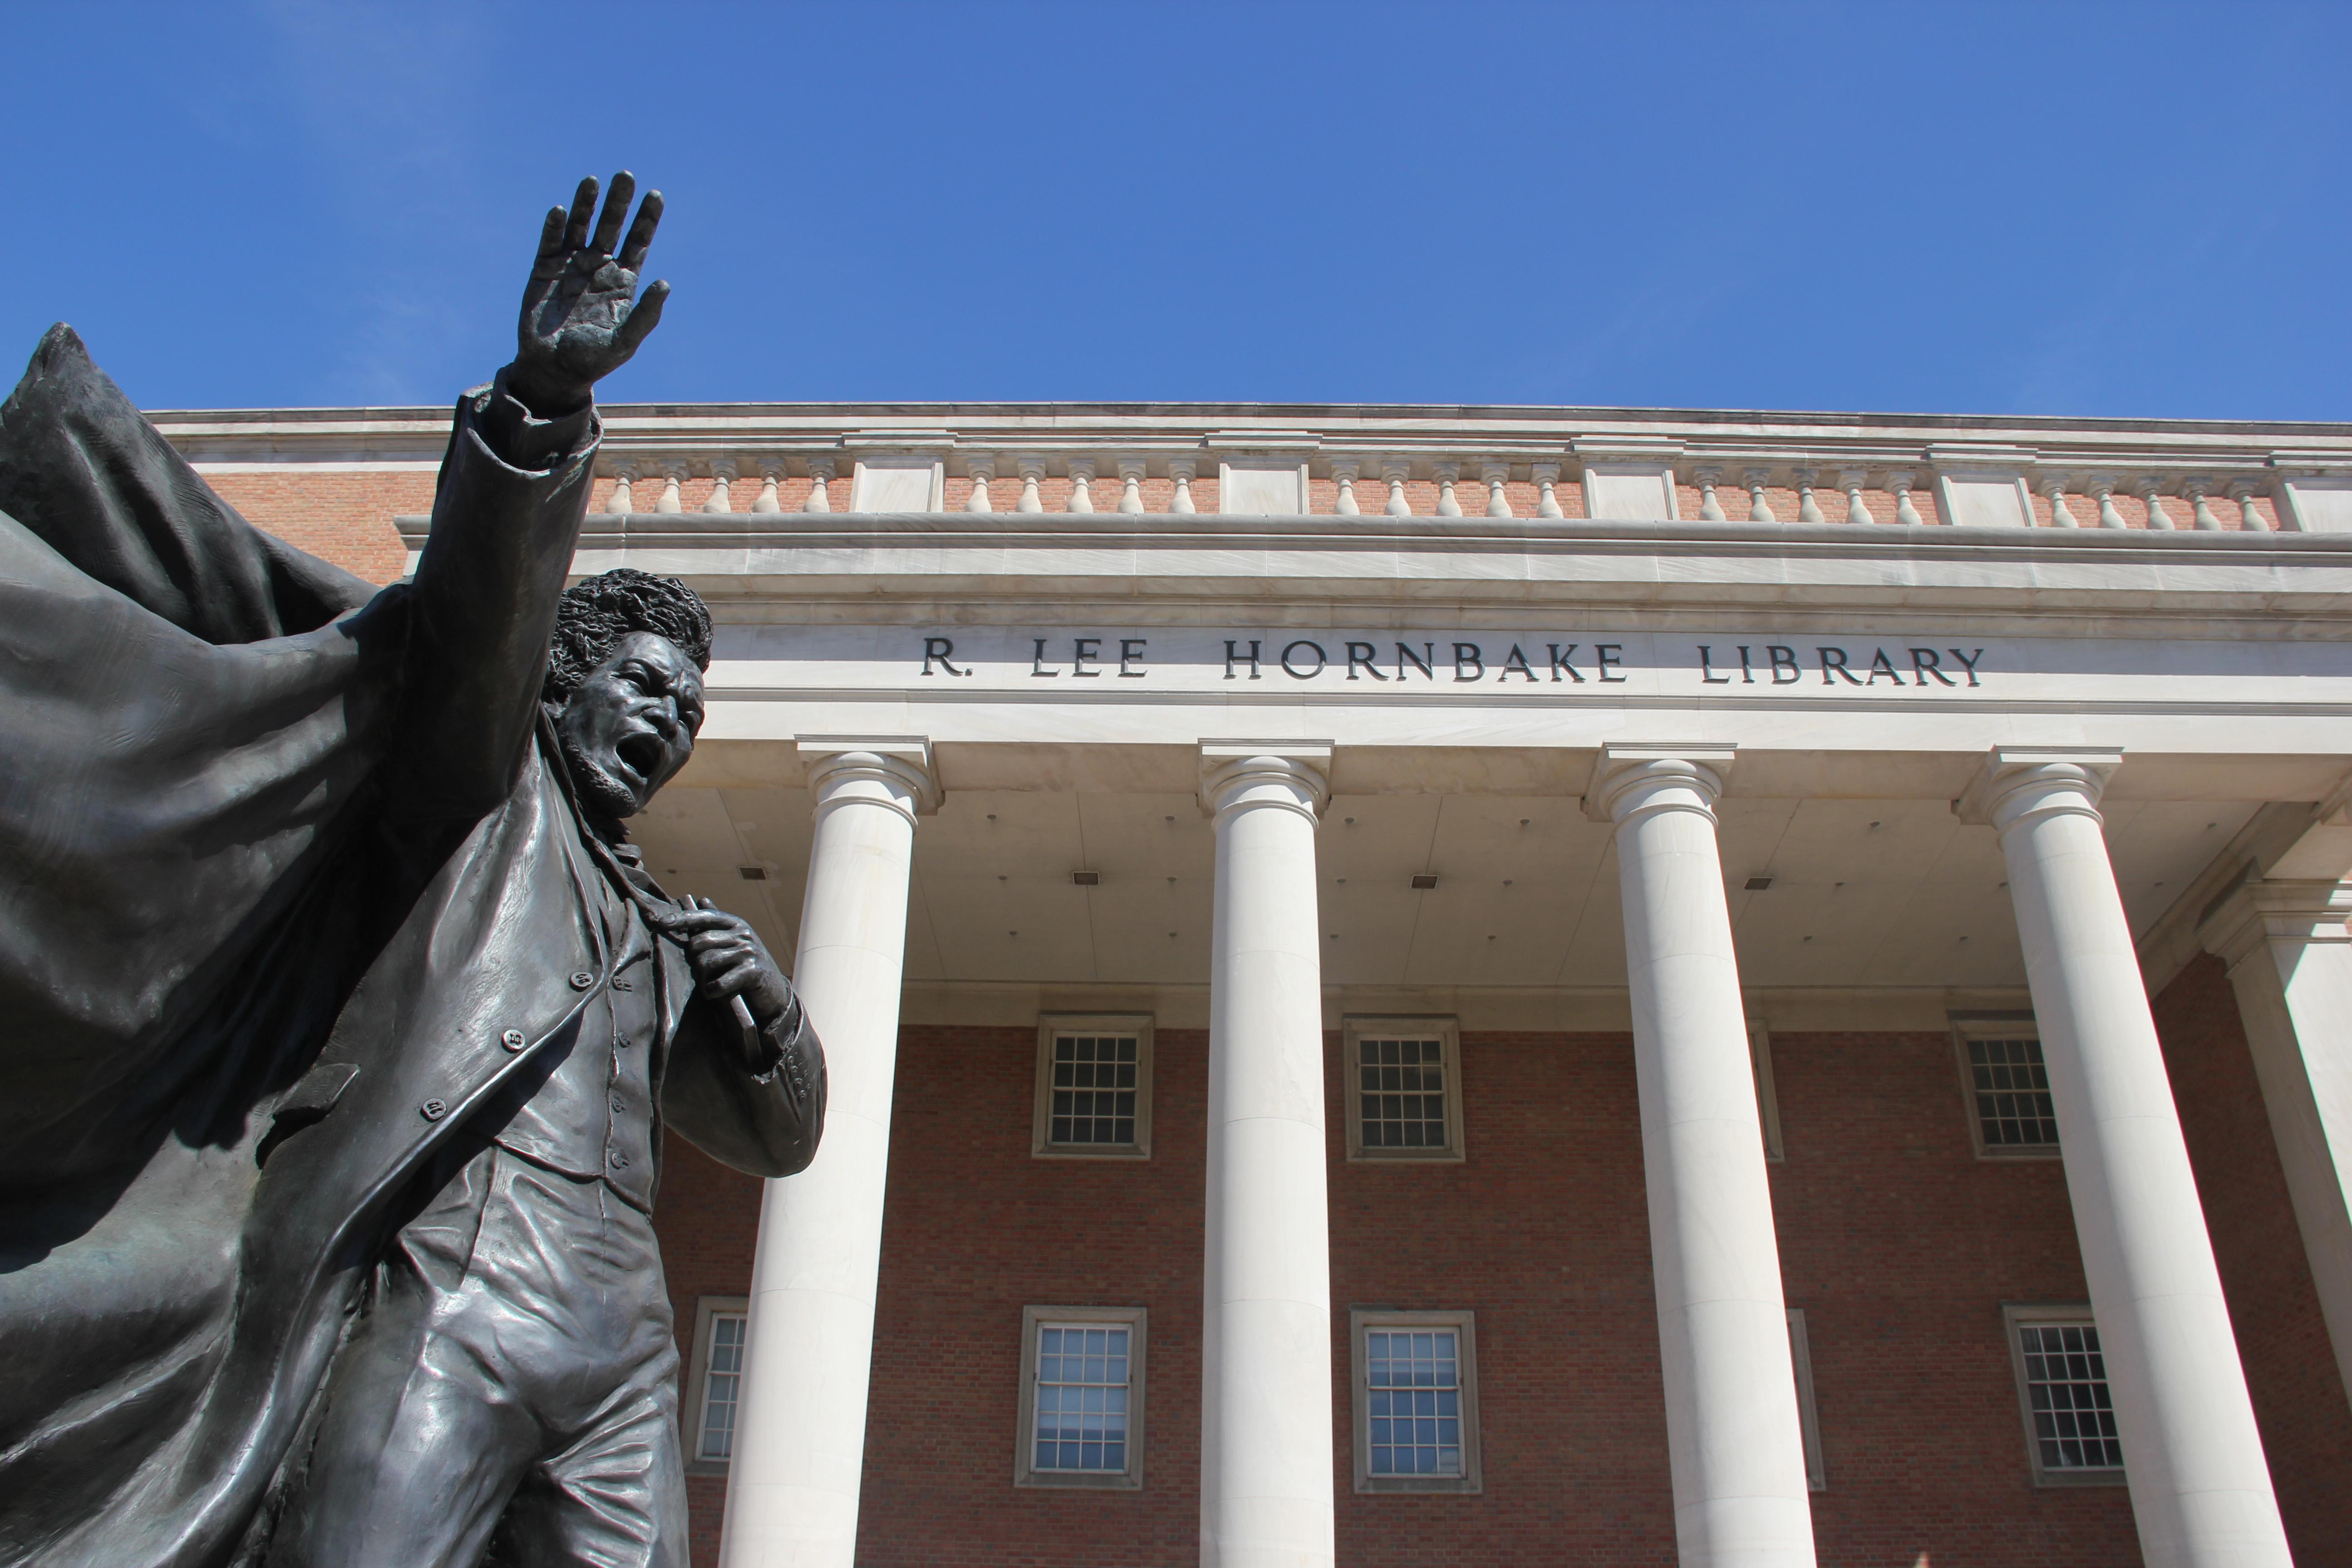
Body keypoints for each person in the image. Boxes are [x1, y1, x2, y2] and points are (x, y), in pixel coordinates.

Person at [0, 175, 820, 1568]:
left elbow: (774, 1141)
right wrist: (540, 407)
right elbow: (477, 618)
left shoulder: (663, 927)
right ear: (560, 684)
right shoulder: (478, 799)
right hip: (449, 1285)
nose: (668, 725)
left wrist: (772, 1017)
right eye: (644, 690)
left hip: (621, 1337)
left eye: (686, 714)